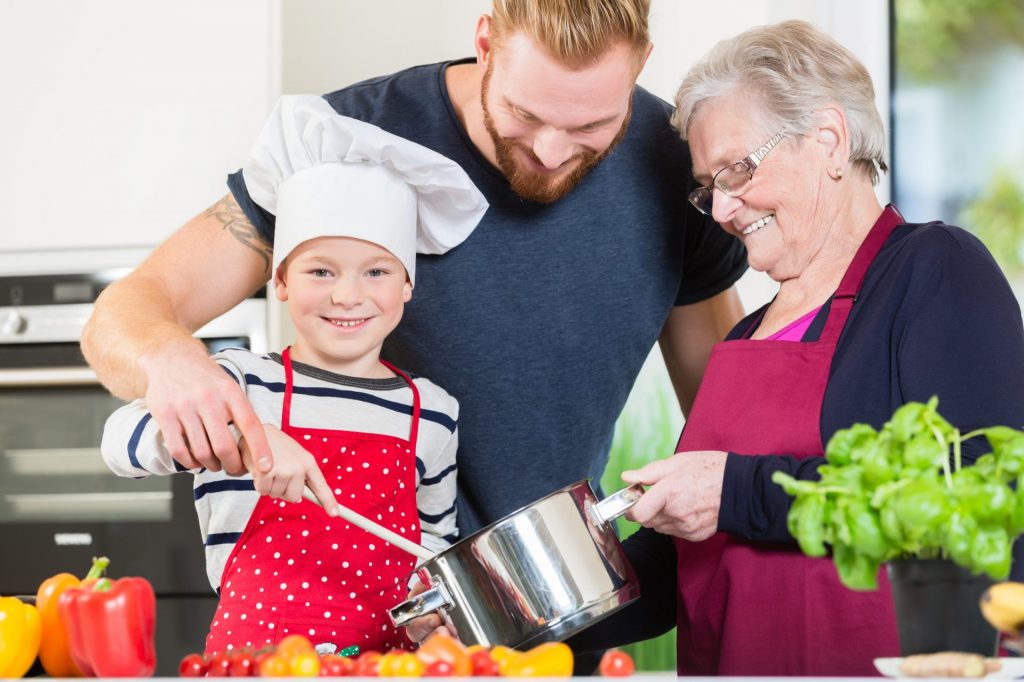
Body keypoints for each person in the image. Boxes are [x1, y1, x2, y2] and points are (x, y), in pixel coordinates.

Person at [81, 1, 747, 542]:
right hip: (364, 599)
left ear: (641, 64)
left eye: (592, 126)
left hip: (558, 593)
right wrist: (171, 362)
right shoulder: (343, 141)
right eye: (525, 114)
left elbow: (724, 408)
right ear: (484, 43)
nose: (550, 152)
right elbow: (124, 314)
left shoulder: (676, 164)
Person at [568, 19, 1024, 676]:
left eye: (738, 170)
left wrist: (732, 490)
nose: (721, 210)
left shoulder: (934, 269)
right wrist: (509, 612)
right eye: (708, 187)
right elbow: (680, 565)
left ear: (829, 140)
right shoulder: (744, 337)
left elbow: (978, 489)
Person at [100, 94, 488, 654]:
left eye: (377, 272)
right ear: (280, 280)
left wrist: (431, 618)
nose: (347, 295)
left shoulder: (432, 413)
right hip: (254, 664)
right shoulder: (241, 384)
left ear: (407, 285)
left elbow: (432, 549)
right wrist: (242, 436)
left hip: (385, 668)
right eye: (320, 271)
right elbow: (118, 444)